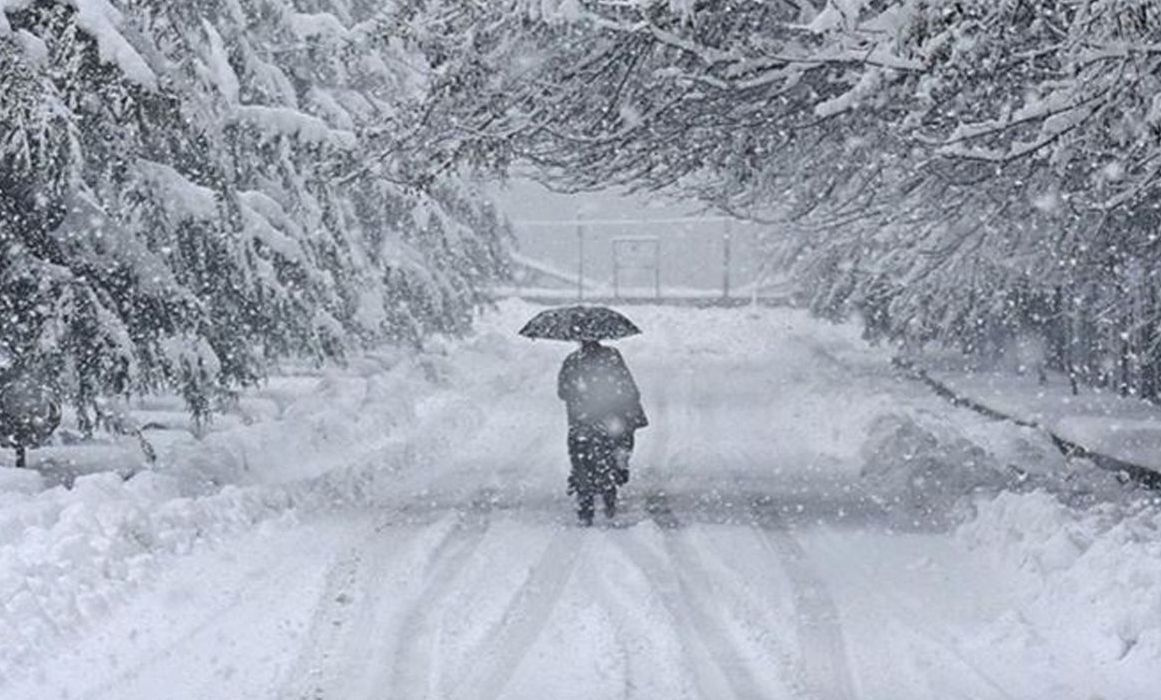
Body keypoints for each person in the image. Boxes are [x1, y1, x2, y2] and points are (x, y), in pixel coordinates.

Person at [557, 339, 647, 525]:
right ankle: (609, 493)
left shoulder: (572, 361)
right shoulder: (612, 357)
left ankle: (585, 503)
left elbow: (563, 391)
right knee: (610, 454)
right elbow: (626, 386)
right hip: (609, 418)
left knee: (581, 459)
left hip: (582, 421)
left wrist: (580, 397)